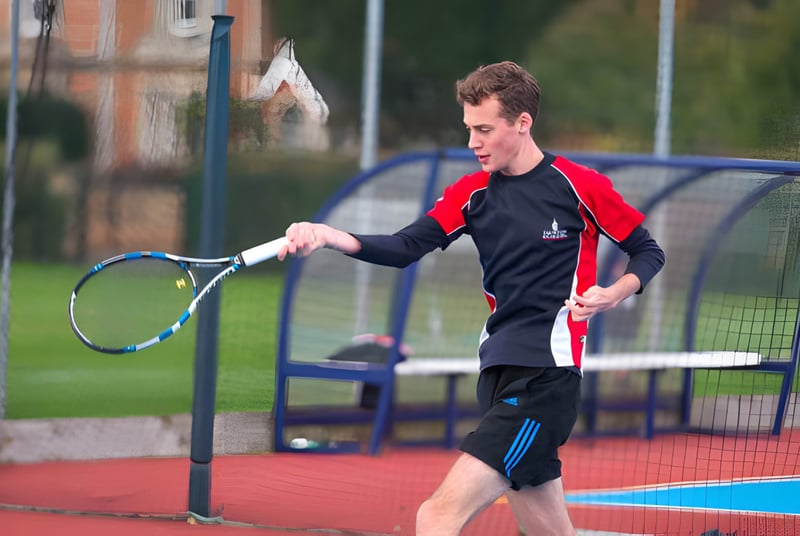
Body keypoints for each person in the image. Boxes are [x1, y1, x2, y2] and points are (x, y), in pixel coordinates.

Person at [278, 60, 665, 535]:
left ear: (522, 123)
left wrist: (615, 293)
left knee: (436, 514)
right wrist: (330, 236)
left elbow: (647, 250)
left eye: (484, 129)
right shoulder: (471, 193)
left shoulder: (578, 186)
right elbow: (405, 247)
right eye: (468, 129)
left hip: (546, 383)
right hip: (497, 376)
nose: (472, 142)